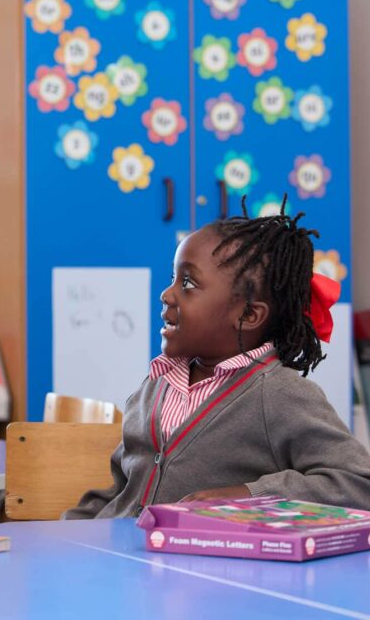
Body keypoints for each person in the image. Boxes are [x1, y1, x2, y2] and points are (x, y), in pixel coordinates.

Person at [64, 198, 370, 519]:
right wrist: (68, 530)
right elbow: (120, 492)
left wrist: (248, 496)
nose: (167, 294)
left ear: (248, 315)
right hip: (119, 546)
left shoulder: (278, 393)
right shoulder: (155, 385)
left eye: (188, 283)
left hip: (190, 553)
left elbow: (357, 483)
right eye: (172, 278)